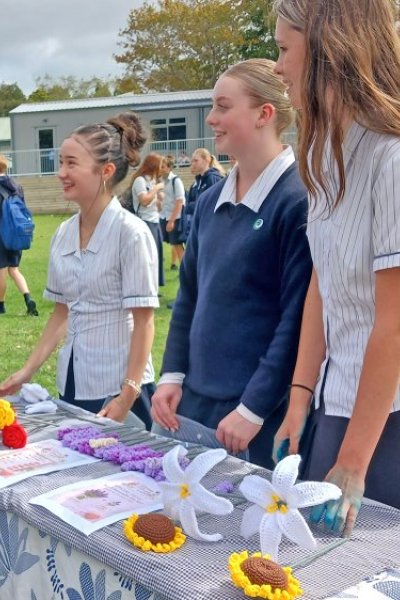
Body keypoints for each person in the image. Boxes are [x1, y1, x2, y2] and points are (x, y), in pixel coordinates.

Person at [272, 0, 400, 534]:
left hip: (385, 424)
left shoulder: (391, 158)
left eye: (284, 49)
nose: (276, 67)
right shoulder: (325, 152)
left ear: (328, 49)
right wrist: (300, 398)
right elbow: (321, 282)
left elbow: (394, 325)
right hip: (336, 399)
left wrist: (353, 461)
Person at [150, 58, 312, 469]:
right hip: (196, 407)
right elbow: (189, 296)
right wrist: (172, 375)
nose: (211, 118)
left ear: (264, 114)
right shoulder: (209, 202)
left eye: (223, 106)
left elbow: (298, 320)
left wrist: (254, 407)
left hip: (254, 420)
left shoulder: (299, 202)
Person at [0, 111, 158, 428]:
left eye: (72, 163)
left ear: (106, 171)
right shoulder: (63, 233)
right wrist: (27, 370)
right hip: (73, 381)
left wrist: (129, 392)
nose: (61, 173)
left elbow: (144, 321)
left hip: (119, 387)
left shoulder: (131, 233)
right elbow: (62, 312)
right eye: (60, 162)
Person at [0, 154, 38, 316]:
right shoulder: (16, 185)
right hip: (16, 233)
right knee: (14, 269)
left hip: (0, 234)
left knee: (1, 269)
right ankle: (28, 298)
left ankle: (0, 305)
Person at [131, 153, 166, 287]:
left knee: (156, 256)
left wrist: (160, 200)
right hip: (145, 222)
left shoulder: (151, 181)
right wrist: (156, 189)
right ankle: (145, 286)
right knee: (147, 257)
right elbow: (144, 201)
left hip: (154, 221)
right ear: (154, 166)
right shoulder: (140, 181)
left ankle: (154, 285)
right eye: (161, 165)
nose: (162, 168)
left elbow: (155, 204)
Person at [182, 148, 225, 238]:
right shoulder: (200, 180)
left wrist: (189, 206)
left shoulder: (212, 178)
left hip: (211, 226)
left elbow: (211, 203)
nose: (193, 163)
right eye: (192, 161)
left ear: (207, 160)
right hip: (201, 224)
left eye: (196, 160)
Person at [159, 155, 186, 270]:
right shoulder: (161, 181)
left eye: (163, 167)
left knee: (177, 245)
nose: (160, 169)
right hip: (164, 216)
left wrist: (171, 221)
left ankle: (186, 271)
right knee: (172, 244)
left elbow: (179, 202)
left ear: (169, 167)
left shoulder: (176, 181)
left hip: (175, 217)